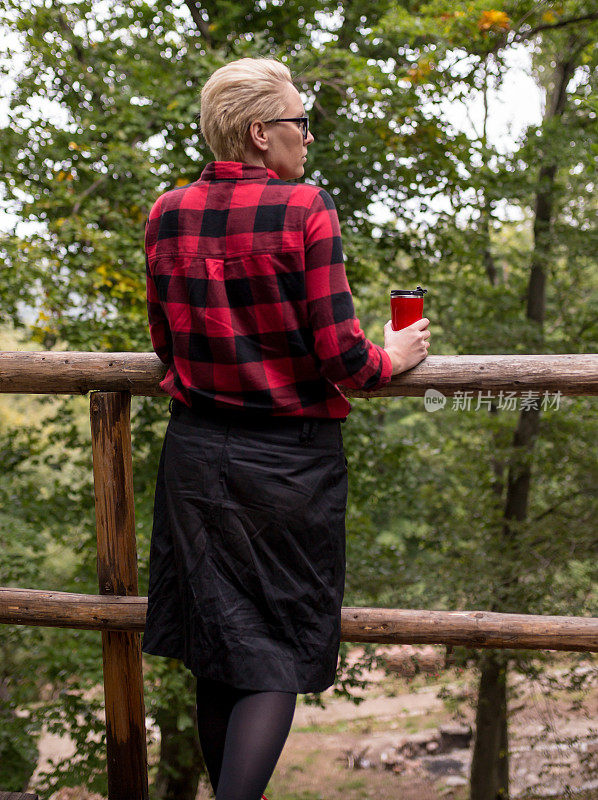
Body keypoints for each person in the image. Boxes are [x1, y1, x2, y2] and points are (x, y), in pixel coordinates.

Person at [142, 57, 430, 800]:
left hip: (196, 456)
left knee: (217, 646)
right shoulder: (305, 208)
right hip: (288, 466)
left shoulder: (167, 211)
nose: (308, 136)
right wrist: (391, 356)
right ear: (260, 132)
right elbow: (343, 357)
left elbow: (165, 346)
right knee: (269, 654)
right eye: (300, 122)